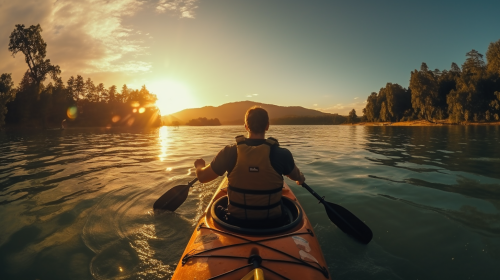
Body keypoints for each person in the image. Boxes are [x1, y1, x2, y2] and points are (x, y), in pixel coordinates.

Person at [193, 106, 305, 226]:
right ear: (267, 126)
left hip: (234, 222)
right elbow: (297, 177)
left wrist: (199, 166)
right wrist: (300, 179)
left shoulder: (229, 151)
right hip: (274, 223)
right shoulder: (282, 154)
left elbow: (203, 177)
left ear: (246, 126)